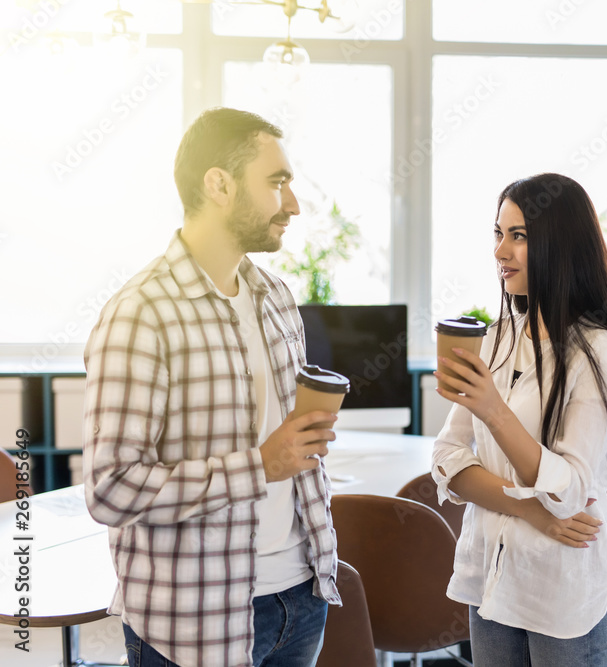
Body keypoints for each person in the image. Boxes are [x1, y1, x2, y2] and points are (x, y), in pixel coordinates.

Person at [83, 108, 341, 667]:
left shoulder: (275, 297)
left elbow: (282, 451)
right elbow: (110, 489)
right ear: (219, 185)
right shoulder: (140, 313)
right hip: (194, 620)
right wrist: (260, 465)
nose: (293, 204)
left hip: (301, 596)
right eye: (277, 183)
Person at [431, 173, 607, 666]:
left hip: (563, 597)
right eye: (498, 233)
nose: (500, 251)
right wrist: (529, 511)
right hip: (492, 581)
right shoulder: (496, 337)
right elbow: (447, 460)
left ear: (560, 245)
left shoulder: (599, 351)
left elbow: (568, 491)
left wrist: (491, 408)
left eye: (519, 236)